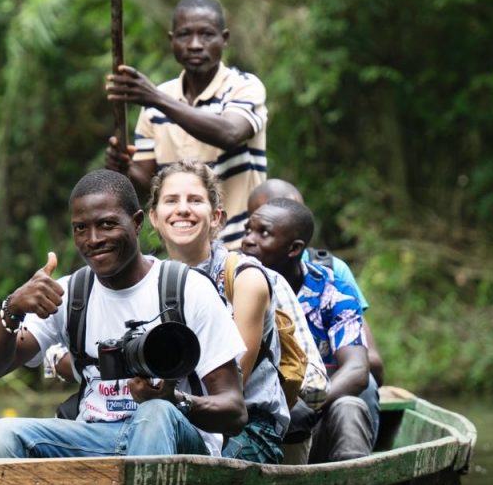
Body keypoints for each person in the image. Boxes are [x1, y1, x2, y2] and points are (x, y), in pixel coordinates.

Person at [0, 169, 247, 458]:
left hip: (173, 436)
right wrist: (13, 307)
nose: (93, 239)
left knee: (155, 413)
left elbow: (234, 411)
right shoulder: (70, 294)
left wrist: (176, 400)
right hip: (95, 437)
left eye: (107, 224)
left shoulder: (187, 289)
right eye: (81, 228)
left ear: (137, 222)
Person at [146, 160, 290, 463]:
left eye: (195, 200)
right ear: (154, 218)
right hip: (168, 415)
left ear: (216, 217)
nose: (183, 209)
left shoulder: (244, 278)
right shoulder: (147, 280)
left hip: (245, 425)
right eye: (171, 200)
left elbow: (232, 381)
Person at [104, 0, 267, 247]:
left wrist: (156, 98)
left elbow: (231, 133)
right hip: (184, 254)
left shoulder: (243, 87)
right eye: (184, 35)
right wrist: (123, 168)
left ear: (224, 39)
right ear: (171, 41)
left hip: (242, 249)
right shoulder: (155, 105)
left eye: (206, 34)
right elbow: (148, 187)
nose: (194, 44)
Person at [242, 198, 379, 463]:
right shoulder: (231, 285)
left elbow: (357, 370)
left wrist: (310, 406)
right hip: (256, 416)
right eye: (248, 230)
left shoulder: (334, 291)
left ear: (294, 249)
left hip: (314, 417)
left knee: (349, 407)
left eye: (263, 233)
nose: (248, 240)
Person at [247, 179, 384, 385]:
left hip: (330, 380)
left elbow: (368, 360)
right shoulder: (236, 274)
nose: (284, 213)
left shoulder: (331, 275)